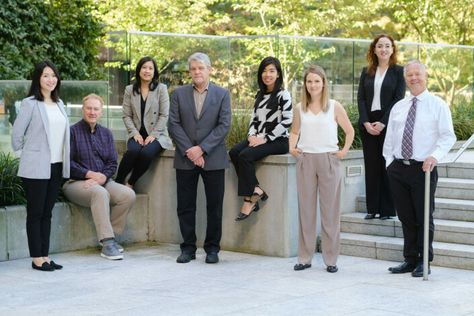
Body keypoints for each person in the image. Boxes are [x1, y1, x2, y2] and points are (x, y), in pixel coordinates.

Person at [383, 60, 456, 277]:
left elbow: (447, 136)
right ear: (405, 78)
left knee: (424, 217)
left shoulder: (438, 105)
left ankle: (424, 261)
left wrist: (434, 156)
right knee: (405, 217)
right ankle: (409, 259)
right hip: (398, 168)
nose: (414, 78)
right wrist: (389, 163)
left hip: (423, 169)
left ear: (425, 76)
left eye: (417, 74)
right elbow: (390, 139)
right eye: (409, 75)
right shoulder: (399, 106)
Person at [289, 65, 354, 273]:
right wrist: (292, 147)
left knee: (330, 213)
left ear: (323, 83)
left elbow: (350, 131)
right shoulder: (300, 108)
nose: (313, 85)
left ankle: (331, 260)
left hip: (329, 160)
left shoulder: (334, 106)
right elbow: (295, 131)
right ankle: (304, 257)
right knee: (306, 212)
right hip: (306, 160)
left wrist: (343, 151)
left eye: (317, 81)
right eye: (309, 81)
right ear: (305, 84)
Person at [168, 52, 231, 264]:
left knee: (214, 206)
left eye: (201, 68)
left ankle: (212, 249)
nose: (197, 72)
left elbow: (224, 126)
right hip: (186, 158)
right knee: (185, 206)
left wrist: (202, 149)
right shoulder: (178, 94)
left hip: (213, 158)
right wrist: (191, 151)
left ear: (209, 70)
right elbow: (173, 125)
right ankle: (188, 248)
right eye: (193, 69)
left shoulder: (222, 94)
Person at [12, 60, 69, 271]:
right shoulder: (30, 103)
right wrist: (25, 157)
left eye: (53, 75)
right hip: (36, 167)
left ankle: (45, 255)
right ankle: (36, 258)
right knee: (35, 213)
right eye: (46, 75)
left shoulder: (60, 104)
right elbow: (17, 135)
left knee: (47, 213)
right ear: (38, 79)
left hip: (56, 165)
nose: (50, 79)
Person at [62, 94, 136, 260]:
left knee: (128, 195)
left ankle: (112, 235)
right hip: (75, 183)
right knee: (99, 193)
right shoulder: (72, 132)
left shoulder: (106, 134)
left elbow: (112, 162)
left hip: (102, 181)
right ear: (83, 110)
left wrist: (102, 176)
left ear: (101, 112)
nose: (92, 112)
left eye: (96, 109)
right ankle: (107, 242)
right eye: (89, 108)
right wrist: (88, 174)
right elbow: (67, 163)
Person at [229, 56, 292, 221]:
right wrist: (251, 135)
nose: (267, 74)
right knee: (235, 152)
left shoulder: (283, 94)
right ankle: (256, 190)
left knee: (245, 155)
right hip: (259, 137)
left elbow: (287, 121)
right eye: (264, 71)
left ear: (278, 74)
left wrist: (265, 138)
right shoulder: (260, 94)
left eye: (272, 71)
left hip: (278, 140)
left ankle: (249, 199)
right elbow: (254, 118)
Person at [357, 34, 406, 220]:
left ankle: (386, 210)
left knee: (386, 166)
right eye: (380, 46)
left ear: (392, 49)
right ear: (374, 49)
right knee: (371, 167)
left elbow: (398, 99)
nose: (383, 49)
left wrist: (384, 122)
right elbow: (361, 98)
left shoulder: (399, 72)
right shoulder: (366, 71)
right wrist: (365, 121)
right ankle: (372, 209)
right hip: (368, 123)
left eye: (387, 46)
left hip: (388, 123)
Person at [115, 56, 173, 188]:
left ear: (154, 72)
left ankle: (131, 183)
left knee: (147, 153)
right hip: (137, 134)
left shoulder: (161, 89)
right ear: (139, 70)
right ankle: (118, 182)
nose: (147, 71)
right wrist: (134, 133)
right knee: (133, 152)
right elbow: (126, 115)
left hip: (157, 134)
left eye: (150, 68)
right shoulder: (130, 90)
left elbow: (164, 115)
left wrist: (153, 135)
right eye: (144, 67)